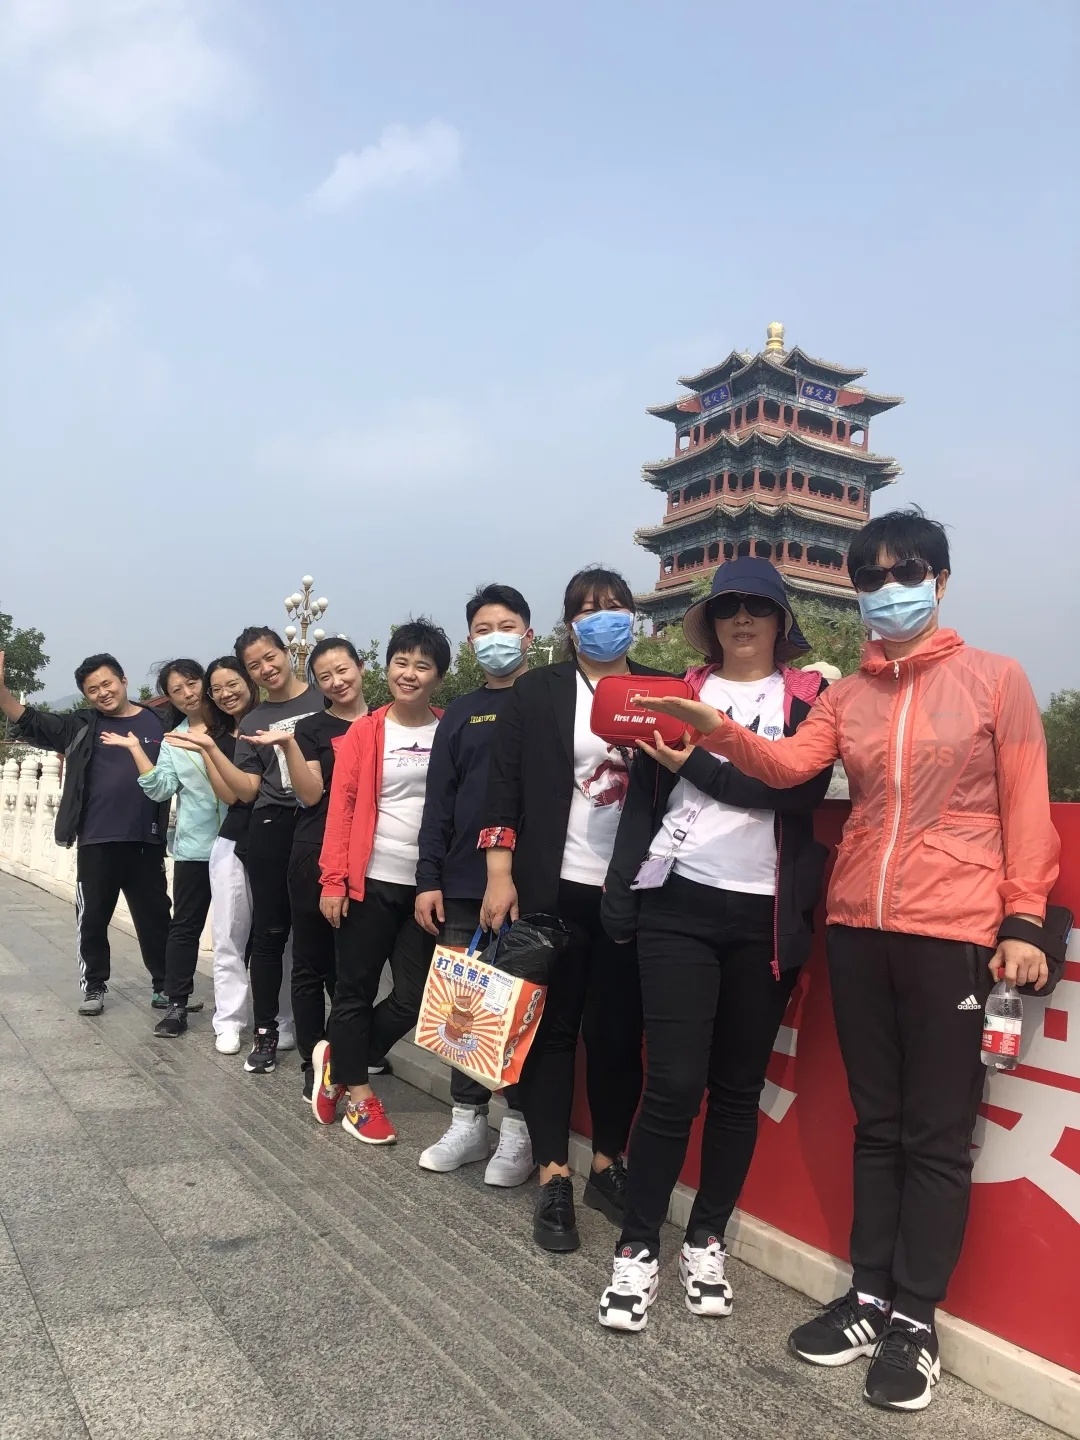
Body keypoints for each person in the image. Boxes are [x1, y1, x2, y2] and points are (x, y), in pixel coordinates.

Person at [635, 508, 1060, 1411]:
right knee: (877, 1124)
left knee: (936, 1135)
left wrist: (1024, 919)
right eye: (870, 577)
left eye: (906, 572)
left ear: (940, 580)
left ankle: (916, 1321)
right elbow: (789, 768)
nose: (887, 590)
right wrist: (714, 729)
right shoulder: (847, 697)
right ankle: (869, 1297)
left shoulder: (997, 680)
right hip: (860, 924)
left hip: (957, 931)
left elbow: (1028, 804)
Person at [593, 558, 832, 1331]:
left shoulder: (811, 700)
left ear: (782, 620)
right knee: (672, 1084)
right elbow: (642, 802)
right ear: (710, 623)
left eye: (758, 607)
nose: (742, 619)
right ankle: (637, 1247)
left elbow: (793, 791)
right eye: (728, 608)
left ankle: (706, 1239)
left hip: (766, 917)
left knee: (735, 1091)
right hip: (679, 903)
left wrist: (699, 760)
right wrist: (622, 894)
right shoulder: (677, 691)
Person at [480, 566, 668, 1253]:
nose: (603, 618)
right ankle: (553, 1174)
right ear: (570, 625)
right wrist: (500, 875)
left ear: (633, 617)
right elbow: (502, 789)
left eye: (615, 606)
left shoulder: (663, 690)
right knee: (552, 1032)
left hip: (634, 889)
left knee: (618, 1035)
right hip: (551, 886)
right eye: (588, 609)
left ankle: (607, 1162)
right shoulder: (538, 691)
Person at [414, 584, 537, 1186]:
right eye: (484, 630)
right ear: (469, 643)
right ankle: (467, 1122)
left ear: (529, 635)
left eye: (506, 626)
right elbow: (439, 800)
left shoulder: (550, 698)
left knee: (523, 1009)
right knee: (462, 1008)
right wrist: (428, 878)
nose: (496, 639)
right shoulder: (461, 712)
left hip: (532, 881)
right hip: (463, 880)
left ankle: (519, 1130)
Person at [316, 619, 449, 1145]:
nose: (409, 673)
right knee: (355, 989)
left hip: (426, 886)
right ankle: (359, 1095)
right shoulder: (365, 732)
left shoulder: (449, 729)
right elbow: (342, 808)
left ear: (439, 675)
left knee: (414, 998)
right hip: (369, 882)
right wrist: (333, 880)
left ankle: (341, 1057)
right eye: (401, 662)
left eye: (422, 665)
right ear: (387, 667)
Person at [175, 627, 320, 1075]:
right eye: (255, 664)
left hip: (320, 827)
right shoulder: (251, 725)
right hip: (265, 830)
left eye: (269, 658)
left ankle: (315, 1032)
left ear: (287, 652)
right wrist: (208, 750)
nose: (265, 668)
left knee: (309, 936)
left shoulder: (323, 701)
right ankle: (255, 1026)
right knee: (261, 934)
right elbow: (244, 792)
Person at [0, 649, 171, 1014]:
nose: (102, 692)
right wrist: (2, 694)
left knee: (156, 916)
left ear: (123, 681)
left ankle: (166, 985)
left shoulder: (160, 721)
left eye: (107, 683)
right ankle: (94, 985)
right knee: (92, 917)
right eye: (93, 689)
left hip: (147, 837)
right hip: (96, 839)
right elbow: (32, 720)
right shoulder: (81, 725)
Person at [242, 637, 368, 1102]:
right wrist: (289, 746)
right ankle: (315, 1060)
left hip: (372, 854)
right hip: (315, 850)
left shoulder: (386, 721)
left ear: (360, 667)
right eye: (325, 676)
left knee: (355, 966)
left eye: (343, 670)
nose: (337, 682)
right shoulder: (312, 727)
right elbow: (310, 794)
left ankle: (352, 1050)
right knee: (310, 963)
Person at [101, 659, 228, 1038]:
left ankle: (245, 1011)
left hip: (242, 844)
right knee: (185, 927)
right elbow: (160, 789)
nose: (188, 693)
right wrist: (136, 750)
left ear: (205, 682)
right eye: (177, 690)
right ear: (170, 698)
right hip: (195, 847)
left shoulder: (235, 726)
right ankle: (176, 1004)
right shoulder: (174, 739)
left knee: (241, 930)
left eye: (192, 683)